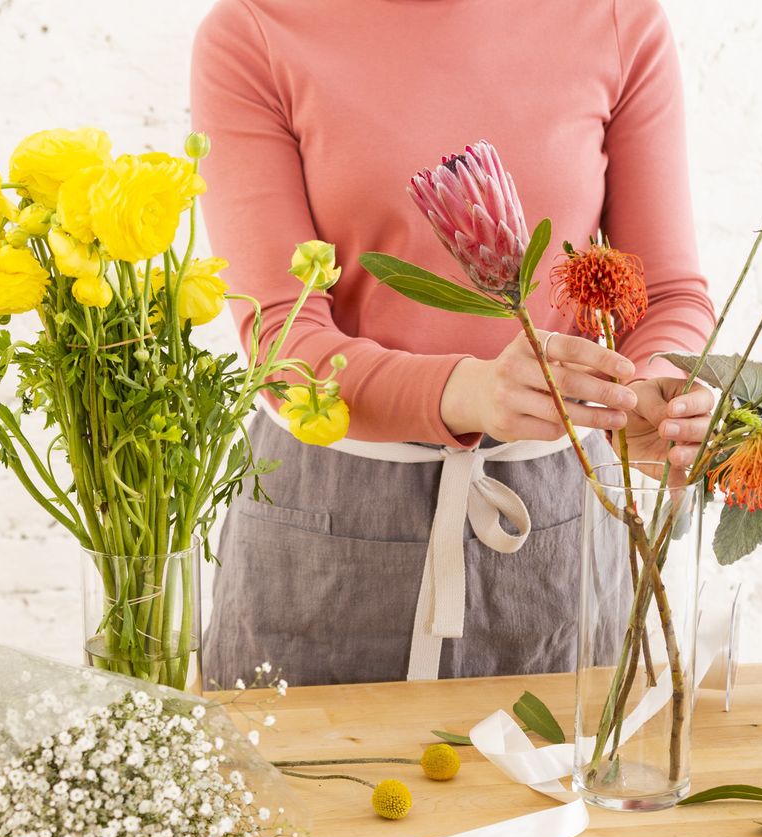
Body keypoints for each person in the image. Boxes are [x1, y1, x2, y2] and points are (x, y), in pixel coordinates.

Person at [190, 0, 715, 688]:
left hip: (558, 519)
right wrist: (469, 392)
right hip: (325, 516)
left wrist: (652, 390)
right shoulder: (254, 29)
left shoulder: (617, 19)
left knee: (560, 757)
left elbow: (666, 293)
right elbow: (282, 339)